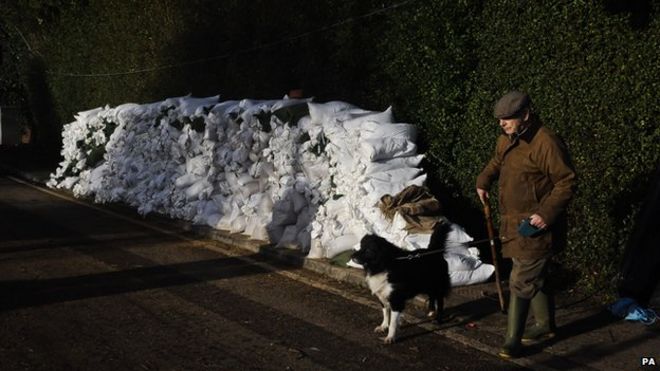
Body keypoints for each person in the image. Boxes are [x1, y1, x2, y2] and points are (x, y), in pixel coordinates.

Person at [476, 91, 576, 358]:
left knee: (521, 279)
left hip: (537, 226)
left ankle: (512, 340)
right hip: (512, 224)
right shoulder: (508, 138)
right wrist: (483, 180)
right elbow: (498, 161)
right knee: (534, 276)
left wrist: (545, 213)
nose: (501, 123)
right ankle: (545, 325)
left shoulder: (546, 142)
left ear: (525, 115)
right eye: (499, 119)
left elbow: (566, 182)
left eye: (507, 119)